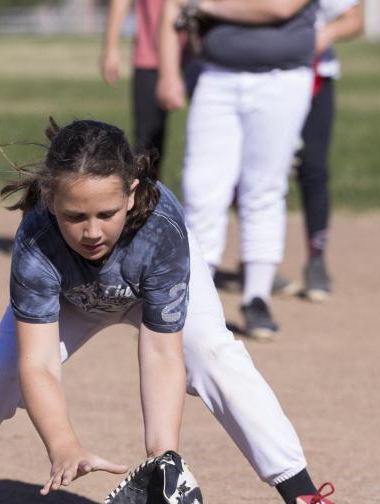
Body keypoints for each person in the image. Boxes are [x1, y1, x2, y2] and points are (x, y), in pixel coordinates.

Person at [0, 118, 350, 504]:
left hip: (150, 283)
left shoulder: (161, 232)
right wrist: (63, 444)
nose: (92, 232)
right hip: (72, 296)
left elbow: (160, 353)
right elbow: (38, 364)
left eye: (107, 212)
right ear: (49, 200)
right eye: (75, 217)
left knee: (214, 355)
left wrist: (163, 464)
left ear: (132, 193)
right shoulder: (36, 243)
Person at [157, 0, 318, 340]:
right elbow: (173, 8)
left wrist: (206, 6)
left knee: (263, 188)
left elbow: (280, 8)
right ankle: (195, 296)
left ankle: (256, 297)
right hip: (216, 76)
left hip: (282, 78)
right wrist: (169, 73)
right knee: (201, 187)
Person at [277, 0, 363, 302]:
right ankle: (259, 263)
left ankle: (316, 260)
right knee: (259, 175)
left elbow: (353, 19)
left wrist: (323, 36)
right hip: (264, 76)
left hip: (315, 78)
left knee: (313, 169)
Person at [101, 0, 201, 173]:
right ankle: (147, 196)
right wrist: (111, 47)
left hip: (201, 54)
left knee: (216, 137)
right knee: (147, 146)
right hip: (150, 53)